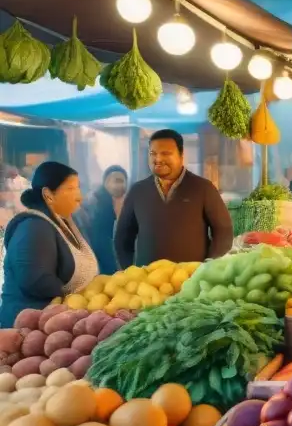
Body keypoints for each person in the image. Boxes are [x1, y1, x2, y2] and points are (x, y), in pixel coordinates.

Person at [114, 129, 233, 267]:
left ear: (182, 156)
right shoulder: (138, 191)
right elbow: (122, 238)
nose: (158, 159)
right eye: (153, 153)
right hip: (148, 282)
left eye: (165, 153)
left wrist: (209, 267)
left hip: (192, 281)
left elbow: (223, 231)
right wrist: (128, 271)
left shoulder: (203, 188)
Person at [0, 162, 98, 326]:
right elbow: (36, 281)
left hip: (55, 323)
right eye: (71, 189)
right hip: (25, 328)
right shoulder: (34, 227)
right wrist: (80, 302)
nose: (79, 196)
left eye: (78, 188)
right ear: (48, 195)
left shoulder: (64, 222)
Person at [76, 165, 128, 275]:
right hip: (101, 267)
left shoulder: (122, 202)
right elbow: (102, 244)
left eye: (122, 181)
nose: (119, 185)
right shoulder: (97, 205)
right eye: (115, 181)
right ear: (105, 183)